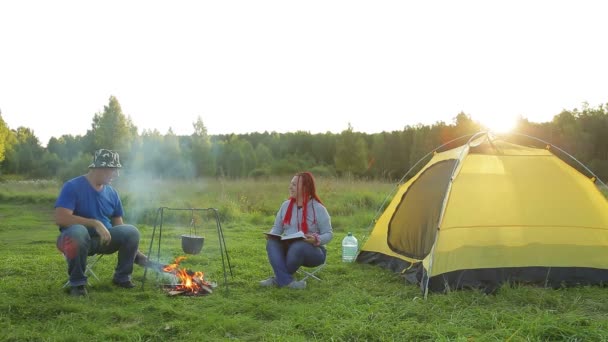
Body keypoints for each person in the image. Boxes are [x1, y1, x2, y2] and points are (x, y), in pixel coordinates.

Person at [55, 149, 159, 297]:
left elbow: (120, 228)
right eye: (113, 170)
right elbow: (61, 218)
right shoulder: (72, 186)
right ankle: (77, 284)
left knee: (131, 231)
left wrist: (140, 256)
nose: (117, 175)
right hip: (72, 241)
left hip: (104, 241)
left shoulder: (112, 193)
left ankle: (122, 278)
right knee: (78, 231)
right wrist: (95, 223)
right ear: (99, 169)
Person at [260, 171, 333, 289]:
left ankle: (278, 280)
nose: (290, 187)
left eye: (294, 185)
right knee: (272, 242)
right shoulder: (285, 206)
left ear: (305, 188)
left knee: (298, 245)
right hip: (288, 249)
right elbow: (277, 228)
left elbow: (329, 234)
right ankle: (286, 282)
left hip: (313, 252)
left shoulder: (319, 209)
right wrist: (272, 234)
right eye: (290, 184)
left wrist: (315, 239)